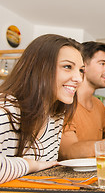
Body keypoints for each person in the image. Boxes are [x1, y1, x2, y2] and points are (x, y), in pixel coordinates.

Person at [0, 34, 84, 184]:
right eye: (67, 67)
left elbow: (43, 177)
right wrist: (32, 165)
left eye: (81, 70)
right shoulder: (5, 110)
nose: (78, 78)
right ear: (39, 67)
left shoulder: (56, 115)